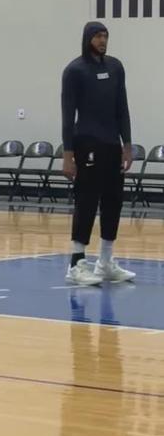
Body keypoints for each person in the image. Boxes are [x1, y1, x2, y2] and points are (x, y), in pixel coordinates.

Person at [61, 21, 135, 285]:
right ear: (87, 39)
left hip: (112, 144)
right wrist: (68, 154)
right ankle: (76, 264)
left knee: (113, 200)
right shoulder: (74, 70)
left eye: (105, 36)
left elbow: (122, 107)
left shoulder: (115, 67)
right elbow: (68, 115)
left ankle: (105, 262)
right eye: (97, 36)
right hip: (86, 143)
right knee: (87, 200)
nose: (102, 40)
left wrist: (127, 145)